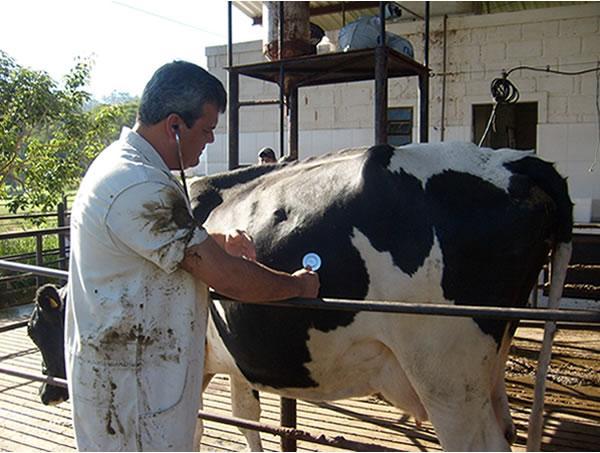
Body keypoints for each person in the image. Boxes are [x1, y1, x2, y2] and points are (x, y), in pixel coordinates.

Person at [65, 61, 319, 451]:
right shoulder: (137, 185)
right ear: (174, 126)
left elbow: (163, 245)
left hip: (139, 378)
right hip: (131, 394)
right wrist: (296, 286)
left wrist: (217, 239)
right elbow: (227, 278)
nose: (211, 141)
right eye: (207, 130)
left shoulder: (131, 168)